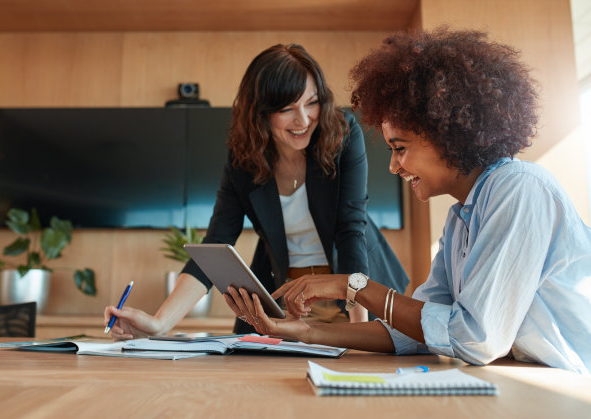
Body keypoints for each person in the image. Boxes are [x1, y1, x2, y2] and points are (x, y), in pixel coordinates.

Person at [225, 28, 591, 375]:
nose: (394, 165)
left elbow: (475, 338)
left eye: (400, 149)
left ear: (448, 134)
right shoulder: (460, 219)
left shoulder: (519, 189)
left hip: (569, 382)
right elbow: (418, 331)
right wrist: (305, 333)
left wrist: (352, 286)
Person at [104, 43, 408, 338]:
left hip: (356, 296)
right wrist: (159, 323)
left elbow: (350, 228)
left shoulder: (342, 134)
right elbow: (216, 244)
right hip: (287, 303)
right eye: (287, 109)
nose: (303, 120)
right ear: (261, 113)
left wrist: (358, 332)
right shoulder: (244, 159)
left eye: (311, 102)